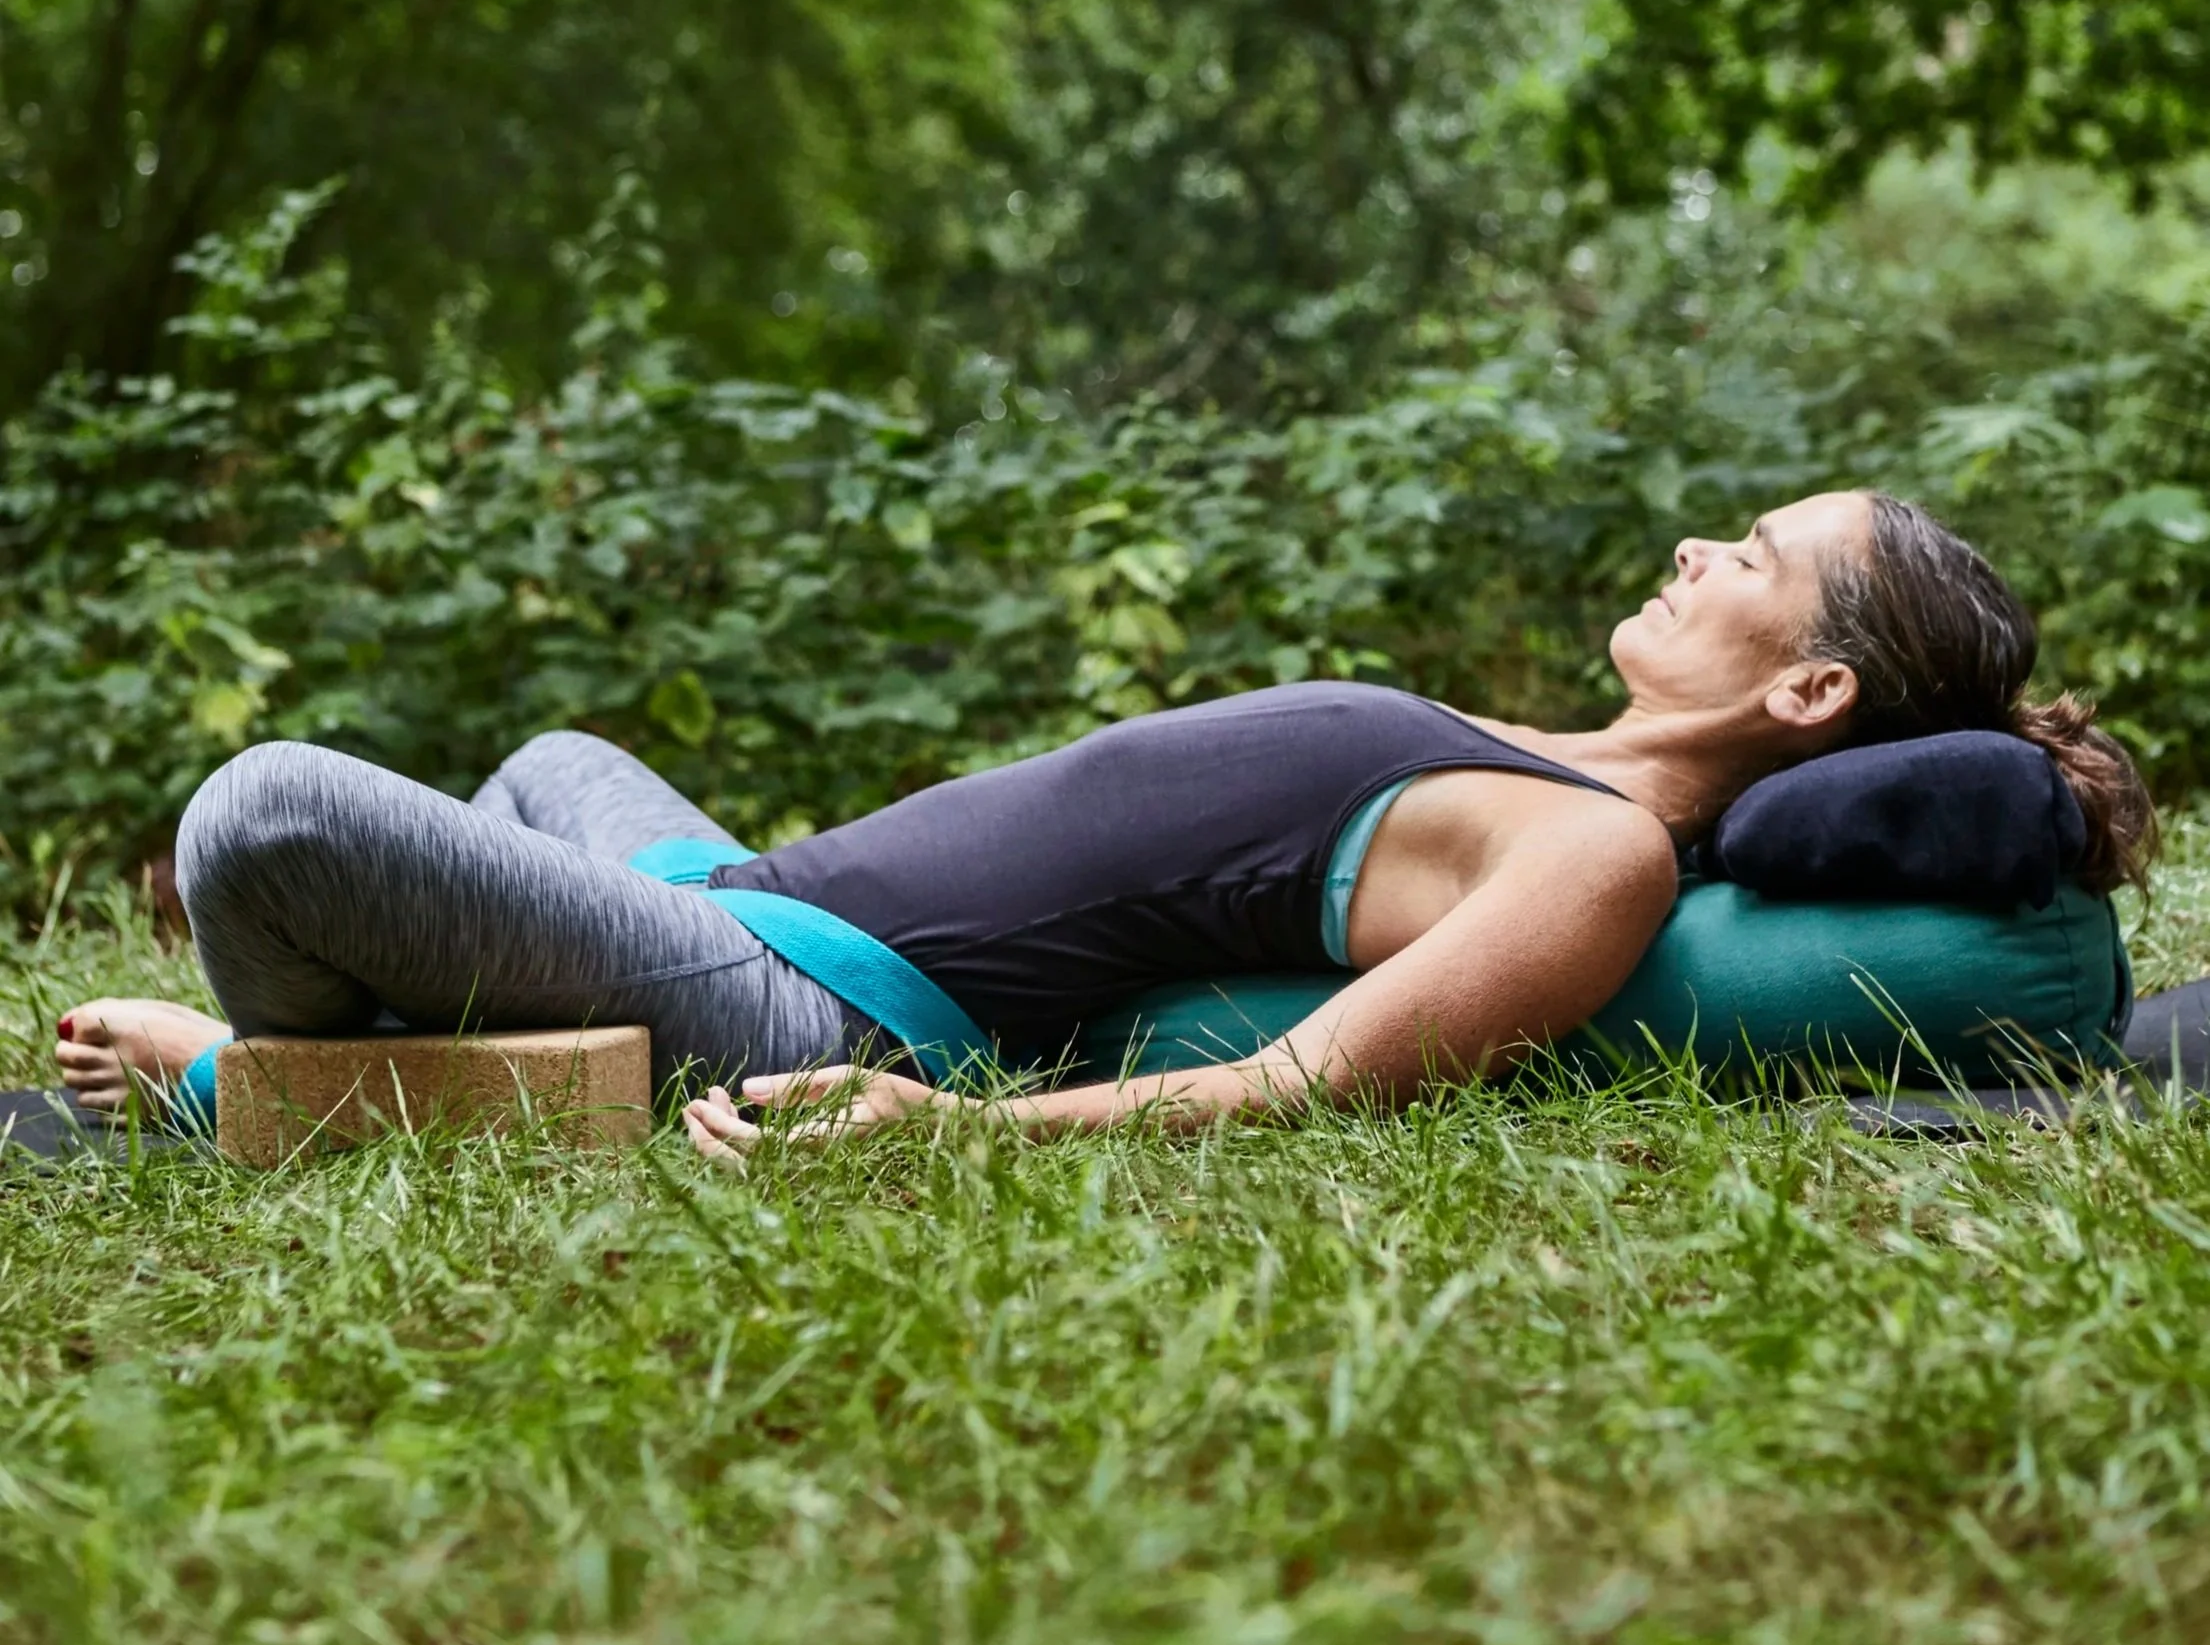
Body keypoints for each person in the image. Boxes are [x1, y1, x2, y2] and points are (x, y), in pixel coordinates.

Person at [56, 488, 2156, 1158]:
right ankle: (454, 1063)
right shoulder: (1542, 753)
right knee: (552, 756)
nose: (1698, 545)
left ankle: (261, 1089)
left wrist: (958, 1138)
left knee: (263, 812)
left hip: (822, 1000)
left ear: (1812, 693)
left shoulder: (1592, 859)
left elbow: (1297, 1087)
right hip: (740, 890)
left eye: (1754, 560)